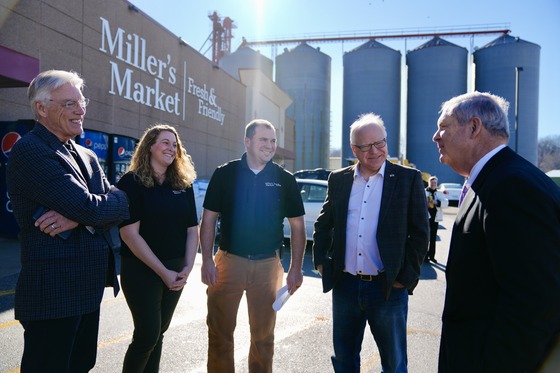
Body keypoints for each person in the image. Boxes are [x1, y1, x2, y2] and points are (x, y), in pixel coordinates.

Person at [6, 70, 130, 372]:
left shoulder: (86, 154)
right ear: (42, 108)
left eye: (81, 101)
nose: (80, 109)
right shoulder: (31, 151)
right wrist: (87, 212)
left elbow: (122, 202)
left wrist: (78, 217)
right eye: (69, 103)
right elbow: (93, 208)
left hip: (87, 290)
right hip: (53, 293)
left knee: (81, 365)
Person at [433, 92, 560, 372]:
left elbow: (532, 305)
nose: (436, 136)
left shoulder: (512, 186)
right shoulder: (496, 178)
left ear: (474, 127)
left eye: (444, 126)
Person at [313, 113, 429, 373]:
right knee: (344, 360)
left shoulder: (408, 179)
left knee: (394, 363)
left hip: (387, 289)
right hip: (346, 286)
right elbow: (323, 224)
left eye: (380, 143)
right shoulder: (339, 179)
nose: (376, 151)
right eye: (366, 147)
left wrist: (405, 278)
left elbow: (420, 234)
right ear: (355, 149)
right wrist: (322, 262)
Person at [200, 119, 306, 373]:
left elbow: (298, 227)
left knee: (263, 339)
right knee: (219, 335)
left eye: (273, 141)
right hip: (228, 261)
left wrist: (296, 269)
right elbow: (208, 220)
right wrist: (205, 260)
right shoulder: (225, 174)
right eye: (263, 140)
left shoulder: (285, 179)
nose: (269, 146)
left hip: (268, 265)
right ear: (247, 141)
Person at [117, 124, 199, 372]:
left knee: (159, 333)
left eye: (175, 145)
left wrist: (187, 267)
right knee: (147, 335)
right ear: (150, 146)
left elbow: (191, 230)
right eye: (165, 142)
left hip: (176, 269)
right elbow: (129, 234)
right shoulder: (131, 182)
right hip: (142, 269)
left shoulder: (183, 183)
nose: (171, 148)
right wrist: (163, 272)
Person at [425, 176, 447, 263]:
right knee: (426, 238)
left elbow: (446, 202)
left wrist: (437, 202)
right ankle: (425, 256)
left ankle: (432, 256)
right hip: (426, 217)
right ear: (428, 183)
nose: (433, 184)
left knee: (433, 238)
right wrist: (426, 203)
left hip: (435, 218)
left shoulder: (439, 193)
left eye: (435, 183)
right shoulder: (424, 192)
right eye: (432, 182)